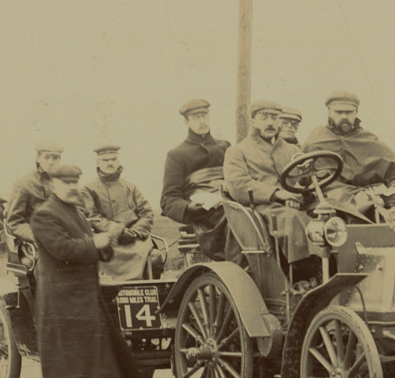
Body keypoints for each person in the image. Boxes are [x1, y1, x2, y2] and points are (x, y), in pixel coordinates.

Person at [30, 163, 138, 378]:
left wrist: (109, 241)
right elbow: (63, 249)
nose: (73, 187)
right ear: (52, 185)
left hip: (81, 296)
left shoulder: (74, 212)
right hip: (62, 299)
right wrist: (98, 242)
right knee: (71, 357)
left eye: (76, 182)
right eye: (66, 183)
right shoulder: (44, 214)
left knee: (81, 356)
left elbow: (89, 246)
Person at [224, 99, 319, 282]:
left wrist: (305, 186)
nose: (270, 122)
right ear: (253, 121)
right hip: (262, 208)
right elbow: (239, 184)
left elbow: (304, 182)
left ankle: (335, 267)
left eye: (274, 118)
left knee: (331, 214)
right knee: (290, 219)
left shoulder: (292, 150)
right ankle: (303, 276)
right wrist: (278, 194)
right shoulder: (238, 151)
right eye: (264, 117)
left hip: (296, 206)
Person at [302, 90, 395, 216]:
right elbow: (303, 177)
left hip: (378, 199)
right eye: (339, 112)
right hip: (336, 201)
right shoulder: (316, 140)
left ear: (356, 113)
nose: (344, 116)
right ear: (329, 112)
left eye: (349, 112)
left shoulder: (370, 140)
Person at [160, 98, 233, 260]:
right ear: (186, 122)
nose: (202, 121)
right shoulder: (177, 155)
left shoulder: (225, 146)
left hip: (231, 200)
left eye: (204, 116)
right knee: (237, 220)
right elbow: (168, 199)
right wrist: (190, 207)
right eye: (196, 117)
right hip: (207, 215)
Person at [81, 144, 157, 280]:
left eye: (113, 159)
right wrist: (117, 231)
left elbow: (146, 213)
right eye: (105, 160)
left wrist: (134, 232)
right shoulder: (88, 189)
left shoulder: (131, 188)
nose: (110, 163)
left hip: (134, 240)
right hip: (108, 242)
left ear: (118, 161)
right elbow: (91, 216)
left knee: (151, 255)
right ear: (97, 163)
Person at [7, 143, 65, 249]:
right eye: (46, 157)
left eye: (55, 158)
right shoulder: (24, 184)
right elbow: (14, 222)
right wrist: (36, 237)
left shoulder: (64, 183)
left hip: (62, 241)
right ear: (38, 158)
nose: (51, 162)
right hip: (34, 244)